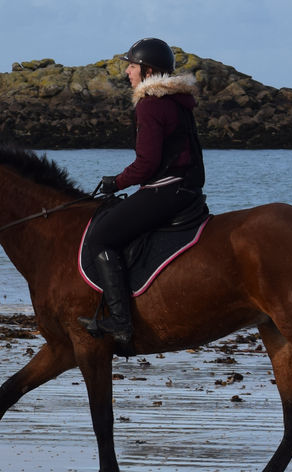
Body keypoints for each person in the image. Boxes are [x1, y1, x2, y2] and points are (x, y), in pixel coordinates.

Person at [79, 37, 205, 346]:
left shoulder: (151, 104)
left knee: (101, 236)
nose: (127, 73)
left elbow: (147, 164)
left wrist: (116, 182)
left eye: (132, 67)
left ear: (147, 71)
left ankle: (121, 322)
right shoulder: (176, 100)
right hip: (187, 188)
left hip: (167, 190)